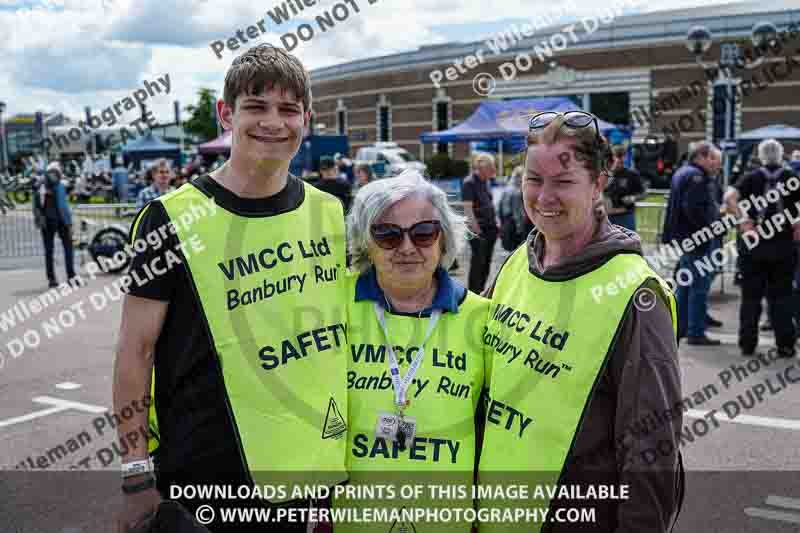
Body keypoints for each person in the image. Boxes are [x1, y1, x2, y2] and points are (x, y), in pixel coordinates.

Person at [113, 44, 349, 533]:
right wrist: (136, 474)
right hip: (204, 480)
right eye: (256, 106)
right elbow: (135, 352)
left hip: (307, 475)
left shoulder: (330, 211)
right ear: (226, 114)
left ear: (307, 118)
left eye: (288, 109)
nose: (273, 122)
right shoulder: (170, 218)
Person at [478, 111, 683, 533]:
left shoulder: (637, 295)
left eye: (564, 182)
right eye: (534, 179)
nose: (545, 196)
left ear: (598, 185)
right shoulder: (518, 262)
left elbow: (652, 450)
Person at [337, 170, 488, 532]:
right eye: (387, 235)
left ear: (443, 240)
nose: (407, 247)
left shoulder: (484, 319)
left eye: (423, 233)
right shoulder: (329, 304)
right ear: (364, 242)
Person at [723, 138, 800, 358]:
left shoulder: (750, 178)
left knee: (750, 297)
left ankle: (747, 344)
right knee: (782, 297)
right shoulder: (791, 178)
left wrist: (743, 221)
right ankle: (785, 345)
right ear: (781, 155)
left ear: (760, 156)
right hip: (783, 245)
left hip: (754, 244)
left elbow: (729, 197)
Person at [662, 141, 723, 345]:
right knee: (699, 286)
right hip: (697, 239)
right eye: (714, 159)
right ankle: (695, 332)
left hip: (686, 238)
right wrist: (709, 229)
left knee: (686, 285)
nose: (717, 165)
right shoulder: (696, 177)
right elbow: (694, 209)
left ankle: (680, 327)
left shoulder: (683, 173)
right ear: (702, 157)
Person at [32, 162, 76, 288]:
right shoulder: (59, 185)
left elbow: (36, 206)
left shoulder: (40, 186)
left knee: (49, 251)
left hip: (48, 222)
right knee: (67, 248)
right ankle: (70, 276)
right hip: (60, 221)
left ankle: (52, 279)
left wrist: (39, 220)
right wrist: (69, 223)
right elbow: (63, 206)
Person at [462, 153, 498, 293]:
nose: (493, 171)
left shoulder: (485, 182)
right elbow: (468, 209)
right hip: (479, 231)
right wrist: (477, 230)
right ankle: (473, 292)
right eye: (490, 167)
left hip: (490, 229)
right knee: (478, 264)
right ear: (481, 167)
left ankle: (481, 291)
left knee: (486, 264)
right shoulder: (469, 183)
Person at [605, 144, 645, 231]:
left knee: (627, 243)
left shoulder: (632, 174)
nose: (619, 163)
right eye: (616, 159)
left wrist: (633, 198)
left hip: (625, 217)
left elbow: (643, 193)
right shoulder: (604, 174)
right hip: (607, 218)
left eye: (622, 160)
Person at [498, 165, 533, 251]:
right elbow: (518, 213)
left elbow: (499, 210)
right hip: (513, 227)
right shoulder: (516, 191)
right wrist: (520, 229)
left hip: (506, 224)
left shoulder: (506, 189)